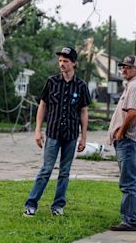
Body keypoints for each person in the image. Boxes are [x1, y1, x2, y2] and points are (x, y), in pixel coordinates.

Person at [23, 46, 90, 217]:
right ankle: (31, 204)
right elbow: (43, 105)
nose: (62, 64)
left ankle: (58, 205)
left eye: (66, 61)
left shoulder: (81, 86)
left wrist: (83, 137)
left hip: (71, 134)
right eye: (60, 61)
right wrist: (37, 130)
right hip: (52, 132)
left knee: (64, 172)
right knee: (46, 169)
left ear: (74, 63)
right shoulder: (52, 82)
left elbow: (83, 111)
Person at [107, 55, 136, 231]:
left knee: (128, 182)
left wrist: (121, 132)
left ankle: (130, 221)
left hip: (129, 141)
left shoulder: (134, 87)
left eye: (128, 67)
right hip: (132, 141)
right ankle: (134, 217)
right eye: (123, 67)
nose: (124, 69)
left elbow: (132, 113)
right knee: (133, 182)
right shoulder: (135, 85)